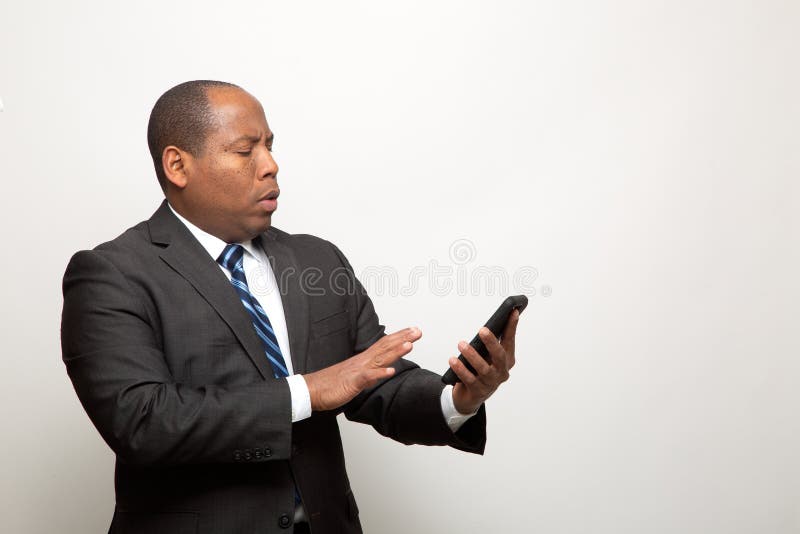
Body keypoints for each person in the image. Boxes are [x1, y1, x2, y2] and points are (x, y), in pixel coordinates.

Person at [61, 80, 520, 534]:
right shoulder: (111, 274)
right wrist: (306, 391)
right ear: (178, 166)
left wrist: (458, 399)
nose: (271, 165)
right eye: (246, 151)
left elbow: (373, 380)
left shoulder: (317, 259)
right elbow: (142, 421)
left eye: (270, 146)